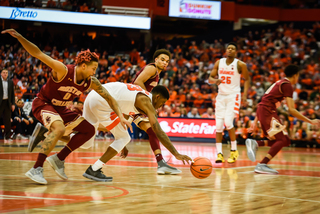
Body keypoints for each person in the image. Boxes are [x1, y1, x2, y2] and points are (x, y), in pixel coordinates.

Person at [1, 29, 131, 185]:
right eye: (93, 68)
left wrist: (121, 116)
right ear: (83, 66)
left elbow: (109, 98)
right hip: (44, 103)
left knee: (89, 130)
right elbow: (39, 54)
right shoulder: (63, 70)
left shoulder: (91, 82)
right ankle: (36, 168)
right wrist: (20, 37)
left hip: (61, 109)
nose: (94, 72)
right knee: (59, 129)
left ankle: (58, 158)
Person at [81, 82, 192, 181]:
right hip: (102, 100)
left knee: (85, 140)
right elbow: (159, 131)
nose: (160, 107)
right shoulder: (146, 101)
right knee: (125, 138)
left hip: (93, 95)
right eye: (162, 103)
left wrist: (121, 145)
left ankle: (64, 134)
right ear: (157, 97)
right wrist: (176, 154)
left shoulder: (137, 98)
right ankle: (94, 169)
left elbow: (121, 120)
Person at [246, 65, 320, 174]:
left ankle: (256, 144)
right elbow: (292, 110)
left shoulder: (279, 82)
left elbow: (262, 101)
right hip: (268, 111)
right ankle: (262, 164)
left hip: (265, 110)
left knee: (285, 140)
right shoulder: (287, 85)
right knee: (282, 140)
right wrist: (310, 121)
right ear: (295, 75)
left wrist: (255, 122)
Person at [131, 49, 182, 174]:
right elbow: (137, 82)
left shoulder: (157, 74)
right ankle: (161, 163)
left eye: (167, 61)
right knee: (154, 131)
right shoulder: (152, 68)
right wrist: (149, 101)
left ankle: (161, 163)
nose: (165, 63)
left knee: (152, 132)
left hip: (136, 105)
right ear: (156, 60)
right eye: (163, 59)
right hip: (134, 101)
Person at [207, 42, 250, 163]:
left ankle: (234, 151)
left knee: (228, 122)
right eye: (228, 48)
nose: (230, 50)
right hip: (221, 96)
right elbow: (209, 79)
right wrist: (215, 80)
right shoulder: (218, 62)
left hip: (233, 95)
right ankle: (219, 154)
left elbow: (247, 79)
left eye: (232, 48)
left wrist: (245, 95)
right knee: (219, 125)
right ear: (226, 51)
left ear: (236, 52)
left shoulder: (240, 64)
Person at [0, 69, 15, 142]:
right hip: (0, 102)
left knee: (7, 121)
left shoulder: (10, 82)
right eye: (4, 73)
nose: (5, 74)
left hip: (7, 103)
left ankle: (7, 136)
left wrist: (13, 104)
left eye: (6, 73)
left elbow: (12, 94)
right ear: (1, 73)